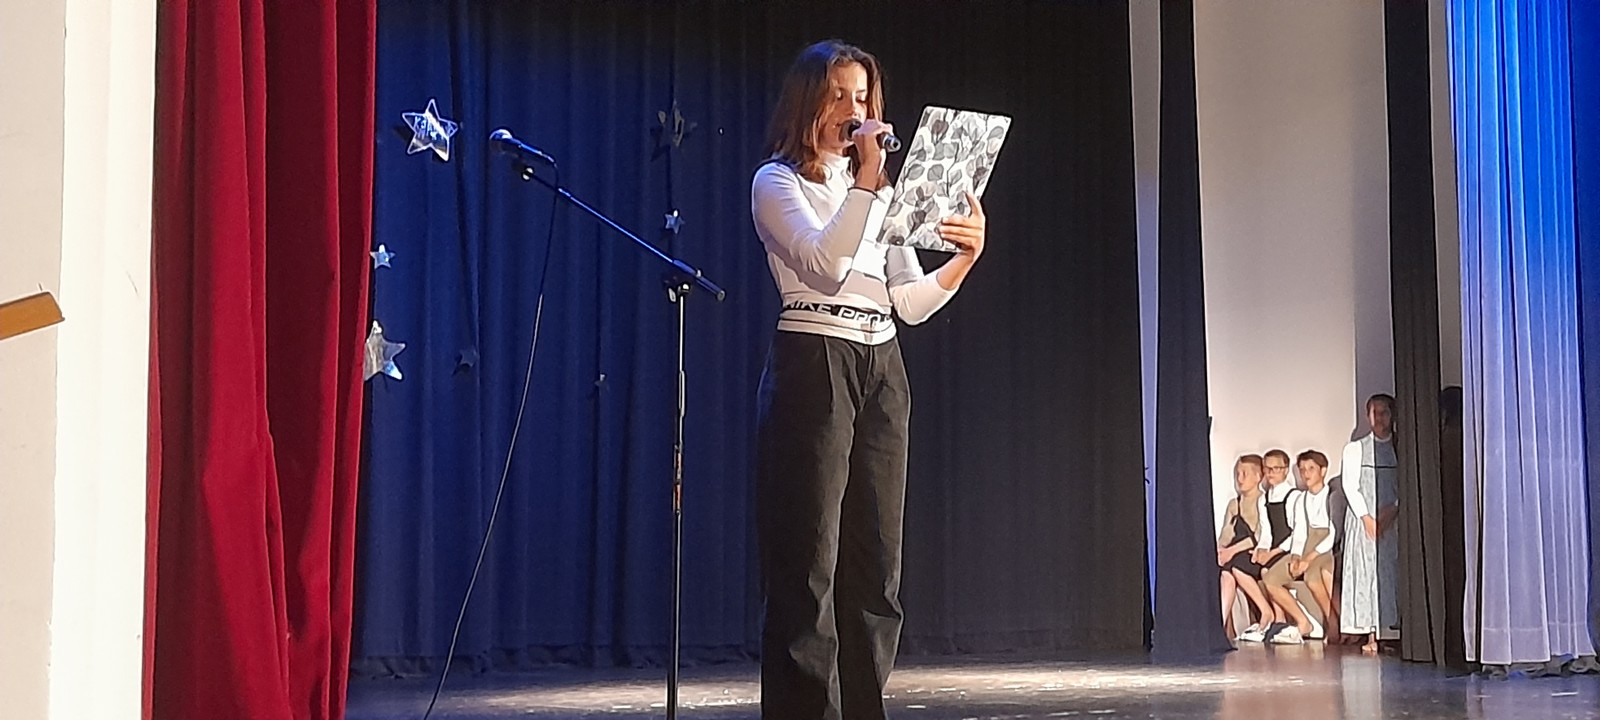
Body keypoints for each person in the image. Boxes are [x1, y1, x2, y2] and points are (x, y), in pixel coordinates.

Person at [750, 39, 987, 719]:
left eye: (862, 98)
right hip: (814, 358)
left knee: (878, 563)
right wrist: (867, 183)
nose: (852, 112)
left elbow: (908, 301)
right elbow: (826, 265)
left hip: (881, 364)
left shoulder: (879, 193)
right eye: (837, 96)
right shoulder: (777, 183)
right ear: (808, 102)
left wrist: (963, 261)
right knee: (809, 562)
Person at [1339, 394, 1400, 654]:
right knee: (1367, 573)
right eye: (1375, 413)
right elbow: (1350, 486)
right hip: (1364, 520)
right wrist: (1367, 518)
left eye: (1384, 412)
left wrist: (1392, 510)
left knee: (1391, 572)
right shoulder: (1356, 449)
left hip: (1393, 518)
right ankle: (1372, 632)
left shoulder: (1400, 447)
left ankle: (1392, 630)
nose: (1379, 418)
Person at [1246, 449, 1310, 644]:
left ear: (1285, 470)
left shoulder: (1294, 496)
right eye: (1268, 469)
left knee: (1269, 573)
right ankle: (1278, 619)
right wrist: (1261, 549)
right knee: (1257, 568)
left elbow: (1297, 532)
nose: (1271, 473)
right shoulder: (1264, 499)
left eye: (1276, 468)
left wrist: (1274, 552)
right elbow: (1266, 531)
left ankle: (1296, 620)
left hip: (1289, 549)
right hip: (1274, 549)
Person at [1282, 450, 1338, 637]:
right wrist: (1296, 556)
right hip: (1311, 544)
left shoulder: (1331, 496)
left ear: (1323, 471)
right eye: (1302, 469)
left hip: (1329, 546)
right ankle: (1332, 621)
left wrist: (1310, 557)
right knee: (1309, 577)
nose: (1306, 474)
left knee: (1317, 577)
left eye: (1311, 469)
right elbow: (1300, 531)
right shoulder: (1302, 499)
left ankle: (1334, 622)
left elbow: (1333, 532)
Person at [1217, 454, 1267, 639]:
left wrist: (1231, 551)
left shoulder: (1263, 501)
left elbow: (1257, 536)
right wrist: (1220, 550)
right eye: (1237, 474)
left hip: (1253, 553)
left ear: (1258, 476)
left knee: (1236, 565)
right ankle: (1221, 624)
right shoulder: (1234, 504)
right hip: (1234, 555)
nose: (1240, 479)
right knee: (1226, 573)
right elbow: (1226, 534)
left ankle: (1265, 610)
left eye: (1244, 474)